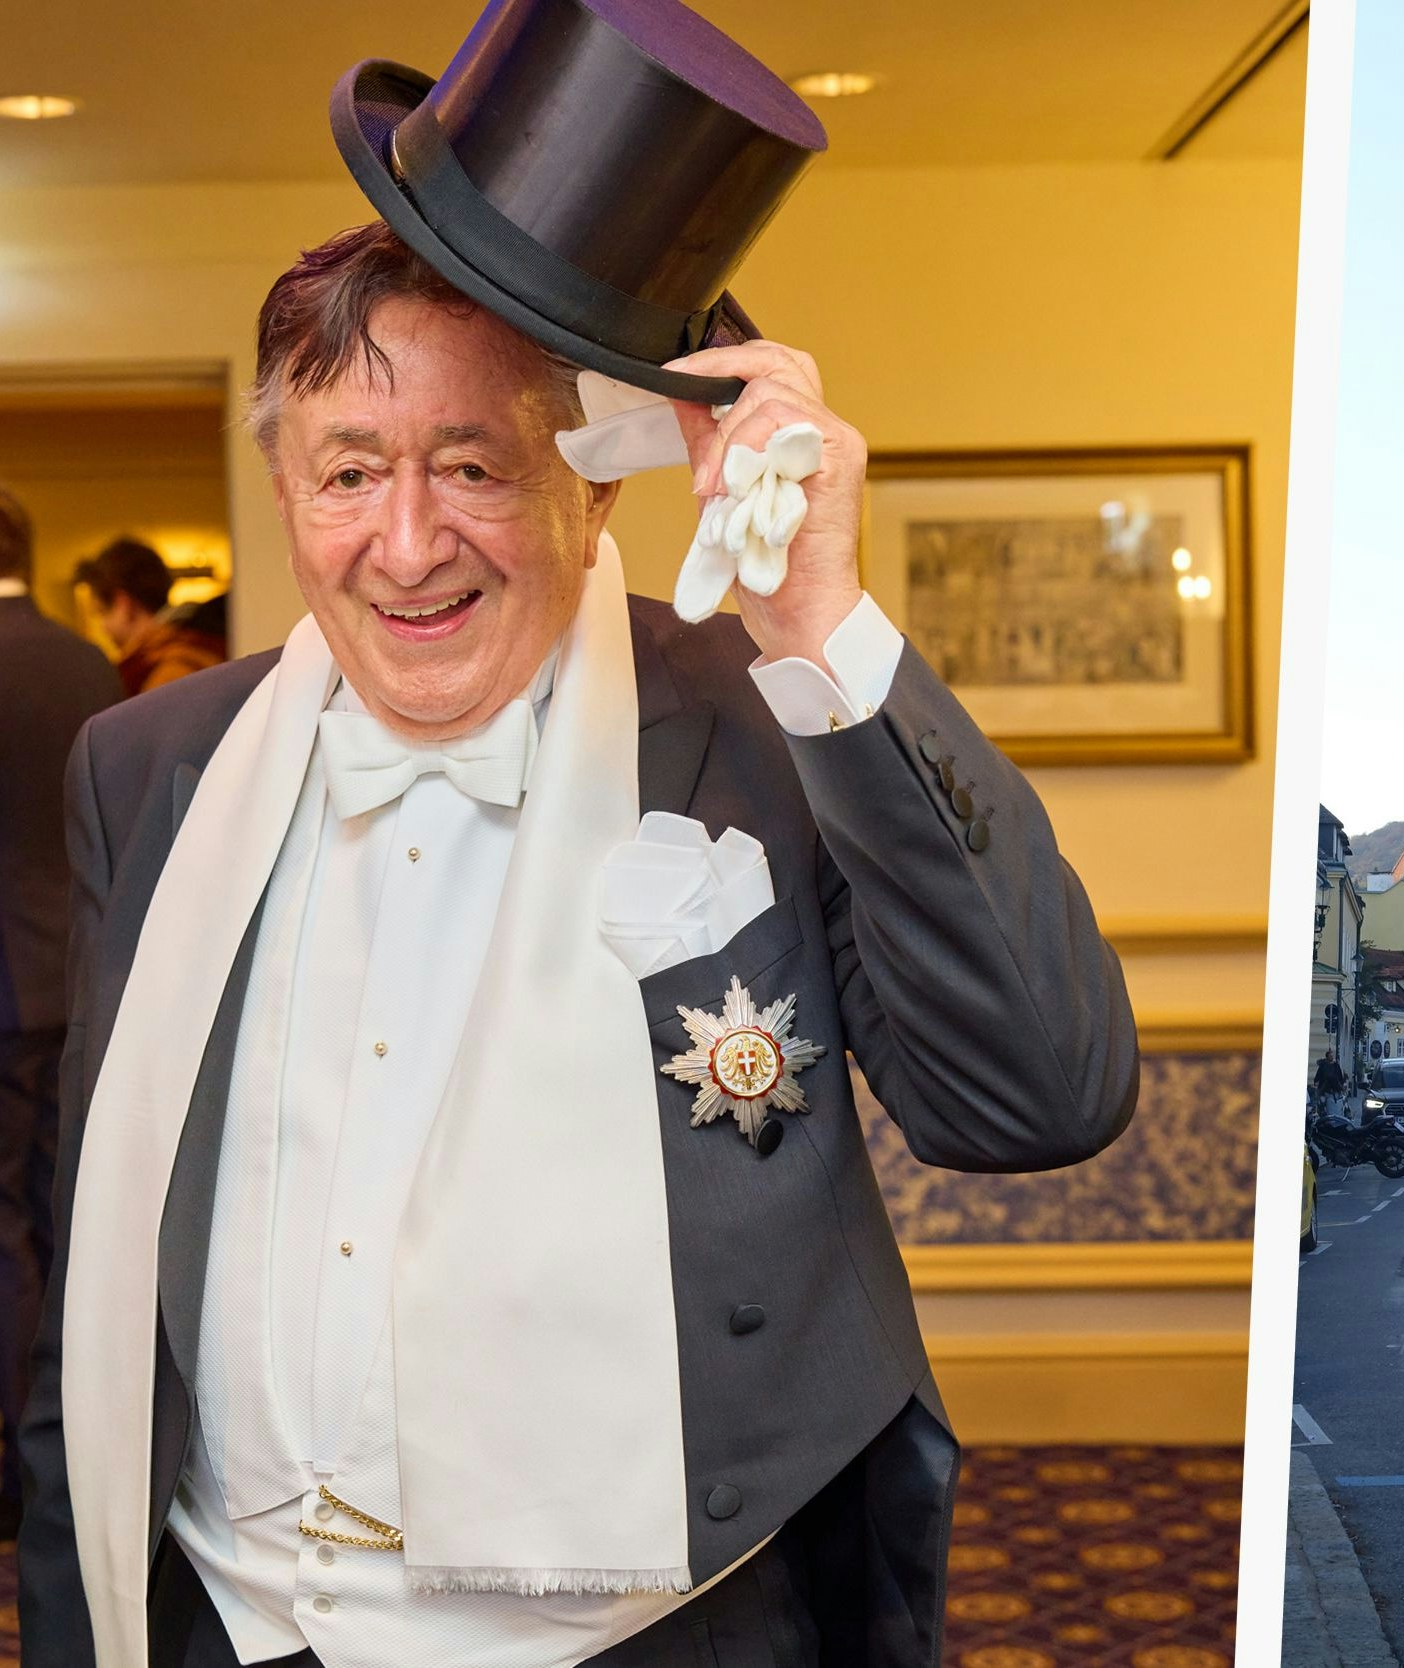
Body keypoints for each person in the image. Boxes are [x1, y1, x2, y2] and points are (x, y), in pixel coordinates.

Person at [19, 5, 1137, 1663]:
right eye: (347, 473)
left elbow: (1038, 1094)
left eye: (472, 463)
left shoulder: (768, 725)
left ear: (597, 487)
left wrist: (819, 617)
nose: (405, 546)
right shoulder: (147, 760)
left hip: (666, 1626)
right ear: (282, 490)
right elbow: (94, 1264)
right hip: (229, 1621)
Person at [0, 485, 124, 1540]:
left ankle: (23, 1477)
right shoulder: (83, 658)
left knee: (2, 1232)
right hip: (72, 977)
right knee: (61, 1216)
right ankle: (72, 1461)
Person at [74, 537, 227, 695]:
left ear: (124, 605)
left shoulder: (156, 671)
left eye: (102, 612)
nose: (103, 626)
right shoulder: (200, 644)